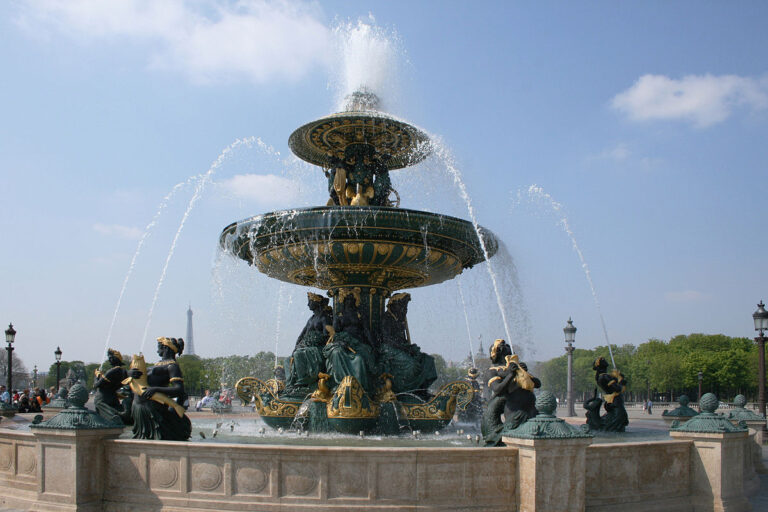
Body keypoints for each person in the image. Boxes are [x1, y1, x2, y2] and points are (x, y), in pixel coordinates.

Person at [129, 337, 191, 441]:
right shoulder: (157, 364)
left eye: (158, 347)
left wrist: (155, 389)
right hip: (139, 406)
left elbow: (179, 389)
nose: (157, 350)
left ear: (165, 348)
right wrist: (129, 373)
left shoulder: (172, 366)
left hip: (152, 408)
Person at [378, 293, 437, 398]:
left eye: (405, 307)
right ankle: (405, 390)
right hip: (388, 349)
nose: (404, 309)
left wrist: (410, 347)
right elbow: (387, 339)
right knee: (412, 365)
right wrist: (405, 348)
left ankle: (421, 390)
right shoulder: (386, 318)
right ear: (393, 306)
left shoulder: (400, 320)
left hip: (401, 347)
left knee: (428, 360)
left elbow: (402, 339)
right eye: (402, 306)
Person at [323, 287, 376, 394]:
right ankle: (339, 384)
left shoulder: (359, 314)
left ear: (356, 300)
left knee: (359, 359)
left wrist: (373, 345)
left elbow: (366, 331)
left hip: (357, 343)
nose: (349, 302)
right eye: (347, 299)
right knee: (337, 352)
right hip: (342, 343)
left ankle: (359, 388)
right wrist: (340, 341)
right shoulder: (339, 315)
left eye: (352, 299)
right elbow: (335, 333)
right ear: (343, 300)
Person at [284, 292, 331, 397]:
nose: (308, 304)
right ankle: (290, 385)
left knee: (299, 354)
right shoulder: (311, 319)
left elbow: (327, 336)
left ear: (316, 302)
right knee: (288, 360)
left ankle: (302, 384)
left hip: (319, 348)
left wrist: (313, 341)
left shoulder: (324, 318)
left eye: (310, 301)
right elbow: (301, 335)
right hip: (307, 348)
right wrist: (296, 347)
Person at [93, 348, 133, 425]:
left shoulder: (112, 371)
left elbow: (96, 385)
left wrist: (97, 376)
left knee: (107, 419)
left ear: (116, 358)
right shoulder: (123, 371)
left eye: (111, 358)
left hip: (102, 398)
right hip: (113, 397)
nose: (109, 359)